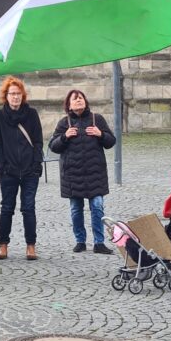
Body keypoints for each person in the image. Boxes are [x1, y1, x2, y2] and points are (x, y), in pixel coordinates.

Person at [48, 89, 116, 254]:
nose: (78, 101)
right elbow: (53, 146)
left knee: (97, 206)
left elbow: (111, 141)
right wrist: (64, 137)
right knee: (76, 210)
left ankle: (99, 242)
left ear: (85, 102)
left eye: (80, 98)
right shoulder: (64, 123)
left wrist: (101, 134)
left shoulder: (96, 119)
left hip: (95, 173)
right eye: (74, 99)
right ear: (69, 105)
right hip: (73, 175)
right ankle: (80, 241)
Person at [0, 76, 43, 260]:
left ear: (23, 95)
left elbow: (38, 142)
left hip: (30, 170)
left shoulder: (32, 114)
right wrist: (2, 168)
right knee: (7, 208)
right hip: (9, 171)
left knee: (28, 208)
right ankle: (3, 244)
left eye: (18, 93)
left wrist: (37, 164)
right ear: (6, 96)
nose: (15, 97)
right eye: (12, 94)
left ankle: (31, 246)